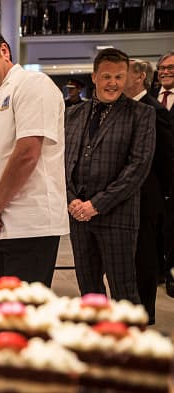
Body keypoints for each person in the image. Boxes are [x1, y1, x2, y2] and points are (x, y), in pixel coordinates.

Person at [0, 27, 69, 287]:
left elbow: (27, 153)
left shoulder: (32, 85)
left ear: (4, 51)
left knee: (24, 317)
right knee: (3, 313)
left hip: (28, 225)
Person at [65, 48, 155, 302]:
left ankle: (127, 340)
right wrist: (71, 199)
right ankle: (95, 339)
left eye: (119, 77)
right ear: (94, 77)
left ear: (127, 77)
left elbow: (138, 167)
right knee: (88, 289)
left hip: (117, 216)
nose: (113, 83)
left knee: (123, 290)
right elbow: (59, 162)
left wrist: (96, 204)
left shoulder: (141, 114)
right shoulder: (71, 114)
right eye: (106, 76)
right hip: (77, 216)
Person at [124, 58, 173, 324]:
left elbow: (166, 157)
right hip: (125, 197)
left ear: (140, 76)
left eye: (123, 74)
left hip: (146, 195)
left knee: (144, 258)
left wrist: (164, 193)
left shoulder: (154, 110)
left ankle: (145, 313)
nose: (118, 80)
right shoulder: (124, 107)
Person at [152, 50, 174, 297]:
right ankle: (158, 271)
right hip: (154, 179)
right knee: (157, 228)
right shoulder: (149, 99)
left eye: (171, 68)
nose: (166, 72)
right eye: (163, 68)